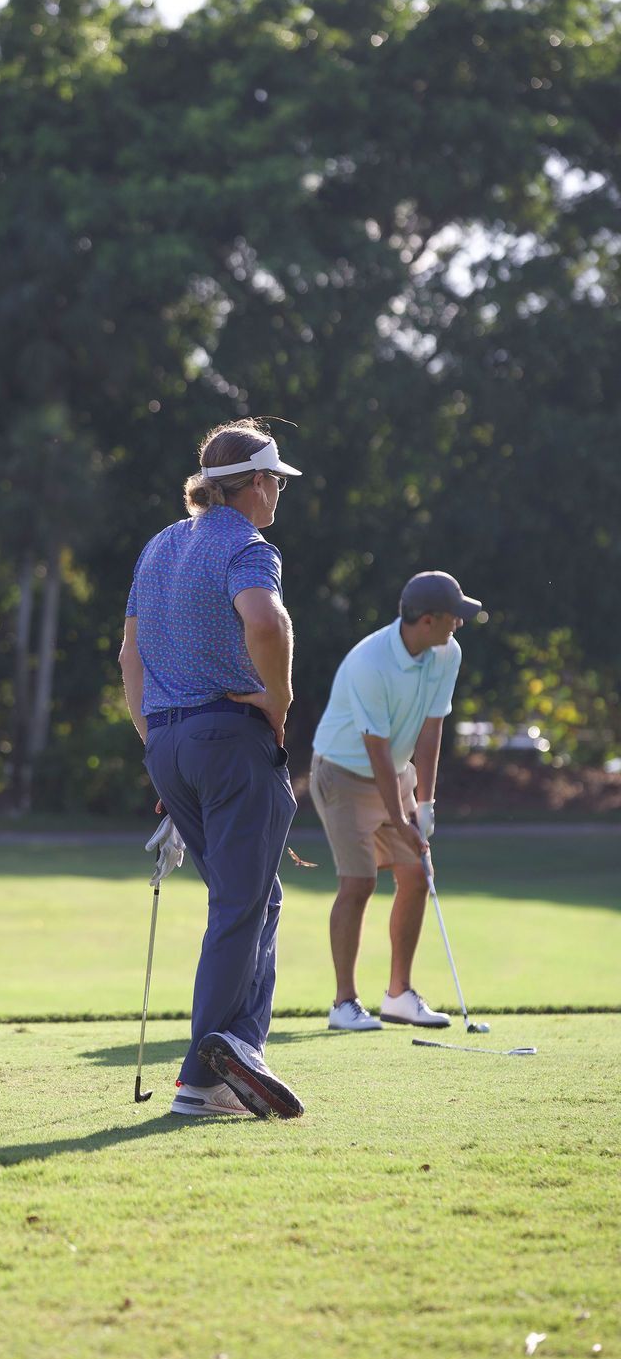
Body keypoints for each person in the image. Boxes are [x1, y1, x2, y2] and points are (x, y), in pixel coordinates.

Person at [120, 420, 305, 1121]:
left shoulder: (159, 545)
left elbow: (130, 659)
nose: (278, 493)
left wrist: (156, 744)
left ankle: (239, 1051)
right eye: (276, 482)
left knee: (256, 897)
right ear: (255, 483)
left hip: (169, 744)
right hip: (230, 740)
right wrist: (278, 700)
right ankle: (204, 1077)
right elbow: (268, 623)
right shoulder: (248, 546)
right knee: (239, 904)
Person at [309, 571, 482, 1032]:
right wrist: (399, 818)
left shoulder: (447, 652)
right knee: (359, 882)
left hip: (395, 772)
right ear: (427, 620)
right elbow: (376, 748)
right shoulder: (370, 663)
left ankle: (399, 996)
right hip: (342, 774)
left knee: (417, 874)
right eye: (453, 616)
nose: (459, 623)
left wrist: (425, 806)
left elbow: (431, 730)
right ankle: (344, 1003)